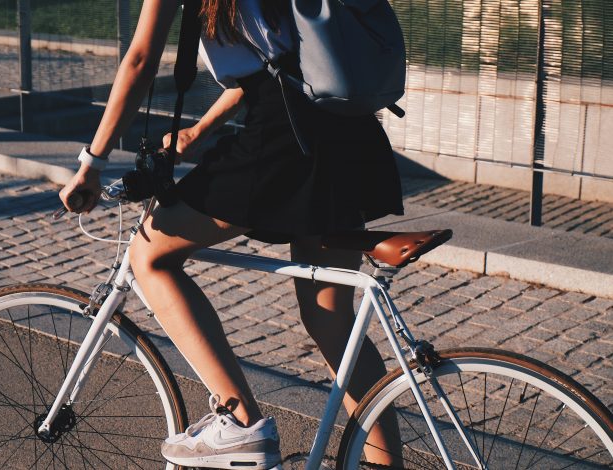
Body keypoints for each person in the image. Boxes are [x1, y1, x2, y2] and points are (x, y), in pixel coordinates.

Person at [60, 0, 405, 468]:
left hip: (285, 137)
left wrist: (92, 164)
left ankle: (239, 424)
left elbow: (140, 59)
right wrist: (201, 130)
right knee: (331, 319)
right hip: (347, 129)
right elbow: (281, 59)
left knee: (150, 256)